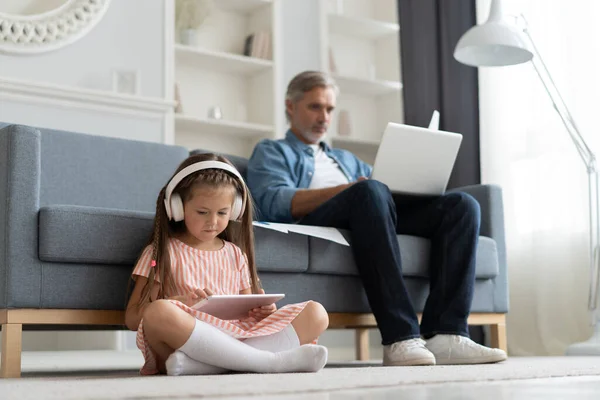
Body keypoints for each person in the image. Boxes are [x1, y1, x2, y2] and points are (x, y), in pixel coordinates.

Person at [246, 70, 507, 366]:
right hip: (320, 220)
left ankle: (446, 334)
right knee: (369, 191)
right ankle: (400, 337)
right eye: (315, 106)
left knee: (462, 205)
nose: (324, 117)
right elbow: (271, 202)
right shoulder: (272, 151)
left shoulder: (345, 159)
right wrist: (349, 190)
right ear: (291, 107)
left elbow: (380, 190)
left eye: (330, 109)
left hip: (370, 212)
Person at [125, 153, 329, 376]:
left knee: (316, 313)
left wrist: (263, 312)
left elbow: (248, 315)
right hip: (186, 341)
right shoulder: (161, 253)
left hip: (236, 339)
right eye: (202, 212)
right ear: (177, 207)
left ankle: (209, 366)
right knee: (158, 312)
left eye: (222, 213)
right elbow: (133, 319)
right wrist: (177, 302)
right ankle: (267, 362)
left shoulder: (235, 254)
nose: (213, 222)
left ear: (235, 210)